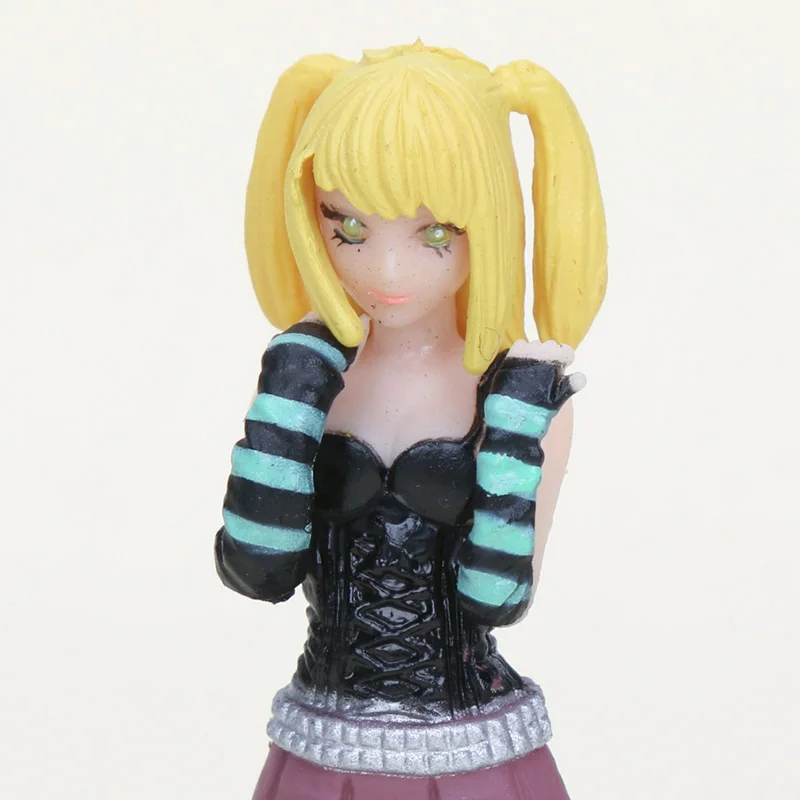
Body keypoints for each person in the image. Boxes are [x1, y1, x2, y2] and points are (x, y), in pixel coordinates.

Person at [215, 40, 607, 800]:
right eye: (348, 229)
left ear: (489, 226)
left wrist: (515, 430)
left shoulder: (517, 396)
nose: (387, 272)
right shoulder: (307, 375)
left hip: (472, 751)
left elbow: (499, 598)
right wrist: (288, 400)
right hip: (321, 743)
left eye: (435, 234)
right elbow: (256, 570)